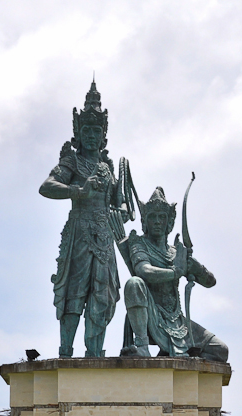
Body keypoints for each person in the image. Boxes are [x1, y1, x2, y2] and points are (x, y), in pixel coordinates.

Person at [39, 81, 127, 358]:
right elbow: (47, 187)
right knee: (74, 291)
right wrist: (77, 190)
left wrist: (121, 208)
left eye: (96, 131)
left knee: (102, 293)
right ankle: (66, 350)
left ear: (103, 136)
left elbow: (118, 200)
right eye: (86, 130)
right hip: (79, 230)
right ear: (79, 132)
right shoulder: (72, 162)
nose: (91, 135)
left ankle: (94, 352)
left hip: (104, 234)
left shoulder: (107, 166)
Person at [120, 187, 228, 361]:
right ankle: (142, 346)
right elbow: (144, 271)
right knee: (134, 283)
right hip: (151, 315)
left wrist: (193, 266)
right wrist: (175, 272)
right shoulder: (138, 244)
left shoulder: (176, 252)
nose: (157, 221)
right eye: (152, 217)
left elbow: (210, 282)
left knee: (220, 351)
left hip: (177, 320)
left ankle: (173, 357)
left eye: (161, 217)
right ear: (145, 221)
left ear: (169, 222)